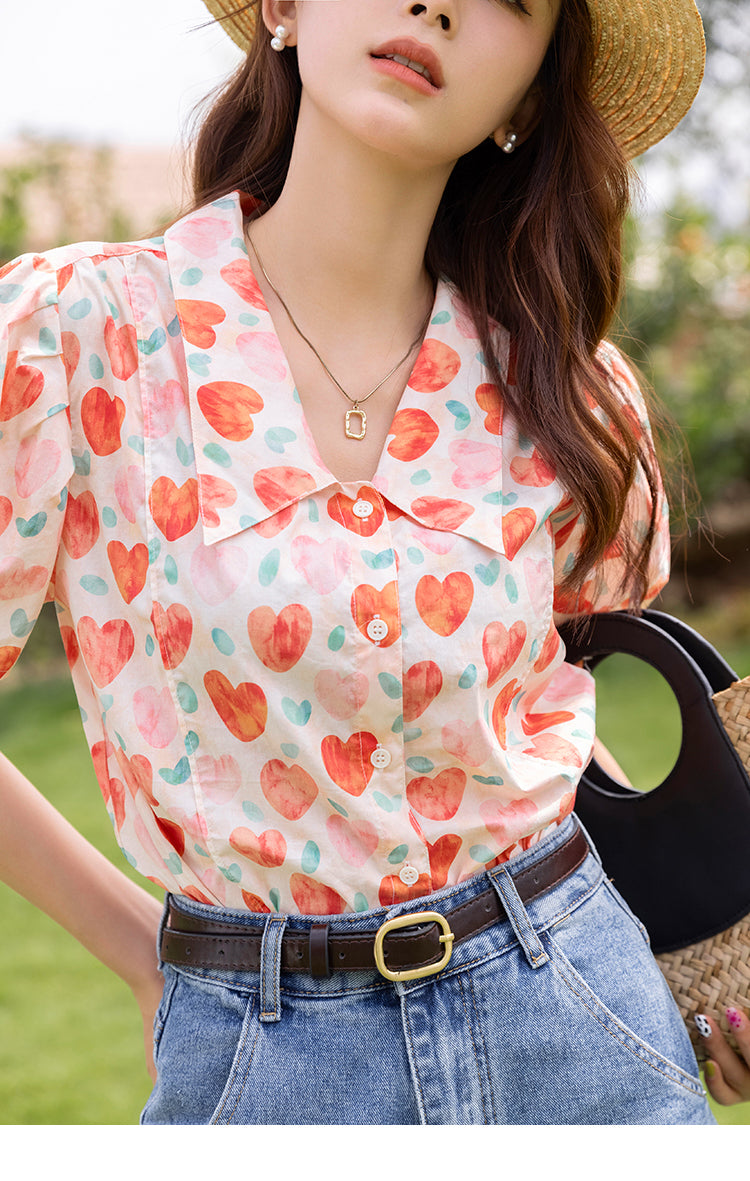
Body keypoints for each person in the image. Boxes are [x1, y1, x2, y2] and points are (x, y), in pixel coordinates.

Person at [1, 0, 748, 1124]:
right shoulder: (79, 335)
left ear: (534, 93)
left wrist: (708, 963)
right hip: (262, 1067)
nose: (438, 4)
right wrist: (165, 963)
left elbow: (565, 716)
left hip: (582, 1028)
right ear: (286, 8)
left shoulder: (571, 396)